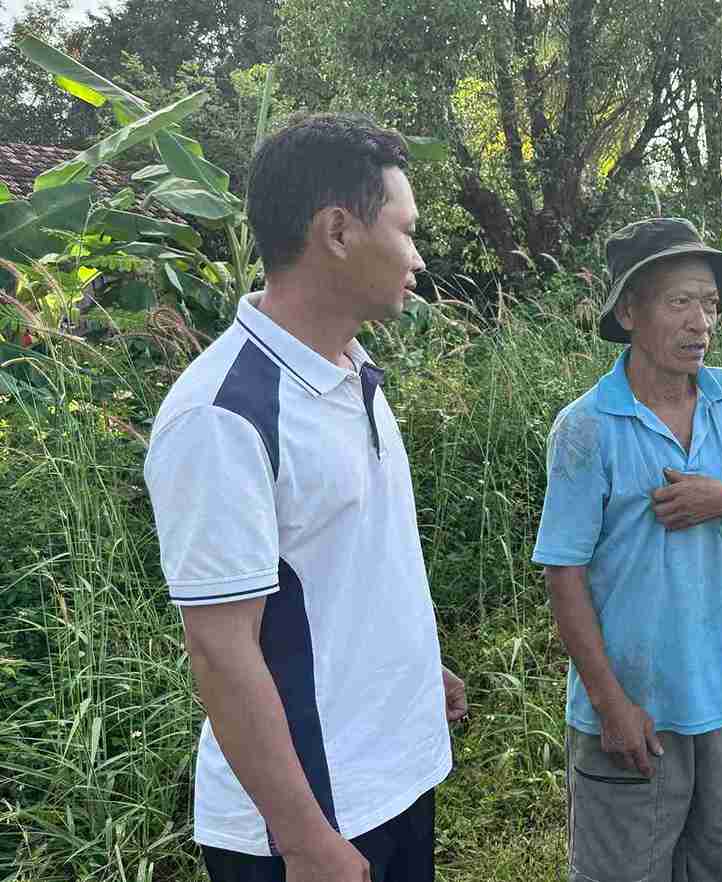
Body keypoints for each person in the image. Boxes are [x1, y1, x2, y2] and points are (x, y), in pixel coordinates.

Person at [143, 114, 467, 882]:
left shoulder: (351, 371)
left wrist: (416, 667)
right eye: (406, 230)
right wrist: (305, 842)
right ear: (338, 231)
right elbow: (220, 649)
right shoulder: (224, 415)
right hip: (308, 824)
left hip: (392, 779)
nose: (418, 257)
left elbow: (346, 564)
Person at [531, 217, 722, 882]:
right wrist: (611, 705)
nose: (700, 323)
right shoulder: (586, 428)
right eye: (680, 301)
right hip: (636, 709)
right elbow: (563, 576)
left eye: (709, 303)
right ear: (629, 312)